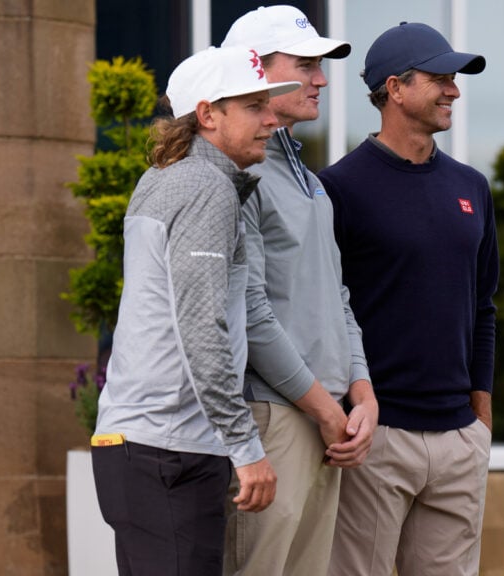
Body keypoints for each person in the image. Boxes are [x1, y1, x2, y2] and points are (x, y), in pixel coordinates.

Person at [90, 45, 300, 576]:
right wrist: (246, 447)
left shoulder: (165, 178)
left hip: (146, 449)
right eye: (254, 106)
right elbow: (201, 326)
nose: (273, 119)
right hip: (167, 452)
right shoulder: (205, 187)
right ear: (208, 114)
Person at [318, 22, 499, 576]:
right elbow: (325, 312)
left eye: (454, 79)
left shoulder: (472, 187)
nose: (454, 91)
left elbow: (484, 307)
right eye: (440, 78)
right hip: (379, 438)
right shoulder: (336, 189)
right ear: (395, 88)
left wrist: (481, 422)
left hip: (459, 442)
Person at [219, 6, 378, 576]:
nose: (322, 78)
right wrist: (323, 408)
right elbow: (251, 312)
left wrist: (361, 391)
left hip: (326, 417)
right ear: (256, 69)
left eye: (320, 65)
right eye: (306, 64)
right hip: (275, 416)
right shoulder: (239, 173)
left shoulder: (310, 179)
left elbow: (337, 294)